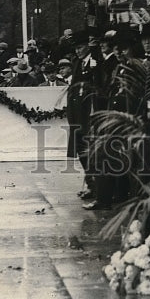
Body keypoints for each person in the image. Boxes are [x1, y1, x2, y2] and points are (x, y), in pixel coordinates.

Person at [67, 33, 101, 207]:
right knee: (81, 150)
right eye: (76, 48)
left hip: (89, 111)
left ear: (87, 46)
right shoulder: (78, 63)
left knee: (91, 151)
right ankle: (90, 183)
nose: (77, 51)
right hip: (78, 112)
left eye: (80, 47)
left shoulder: (95, 61)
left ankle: (95, 186)